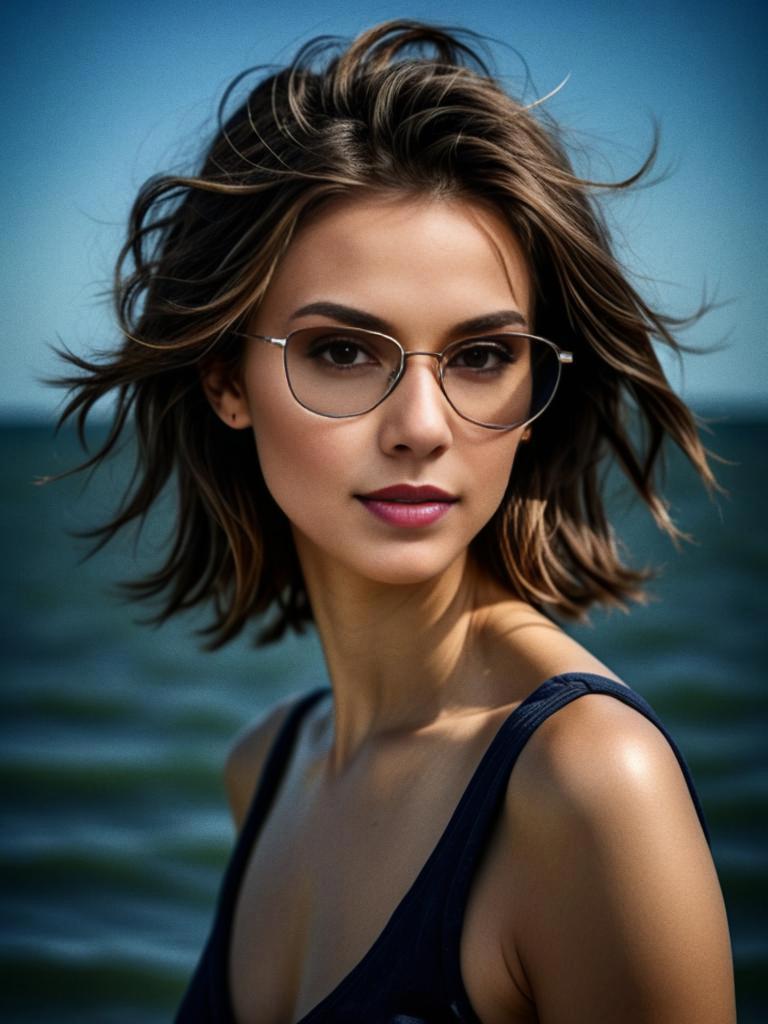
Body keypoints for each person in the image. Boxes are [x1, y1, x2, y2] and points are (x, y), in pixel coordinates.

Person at [54, 19, 736, 1024]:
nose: (422, 427)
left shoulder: (590, 782)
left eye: (480, 355)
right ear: (223, 378)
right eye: (342, 352)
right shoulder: (267, 763)